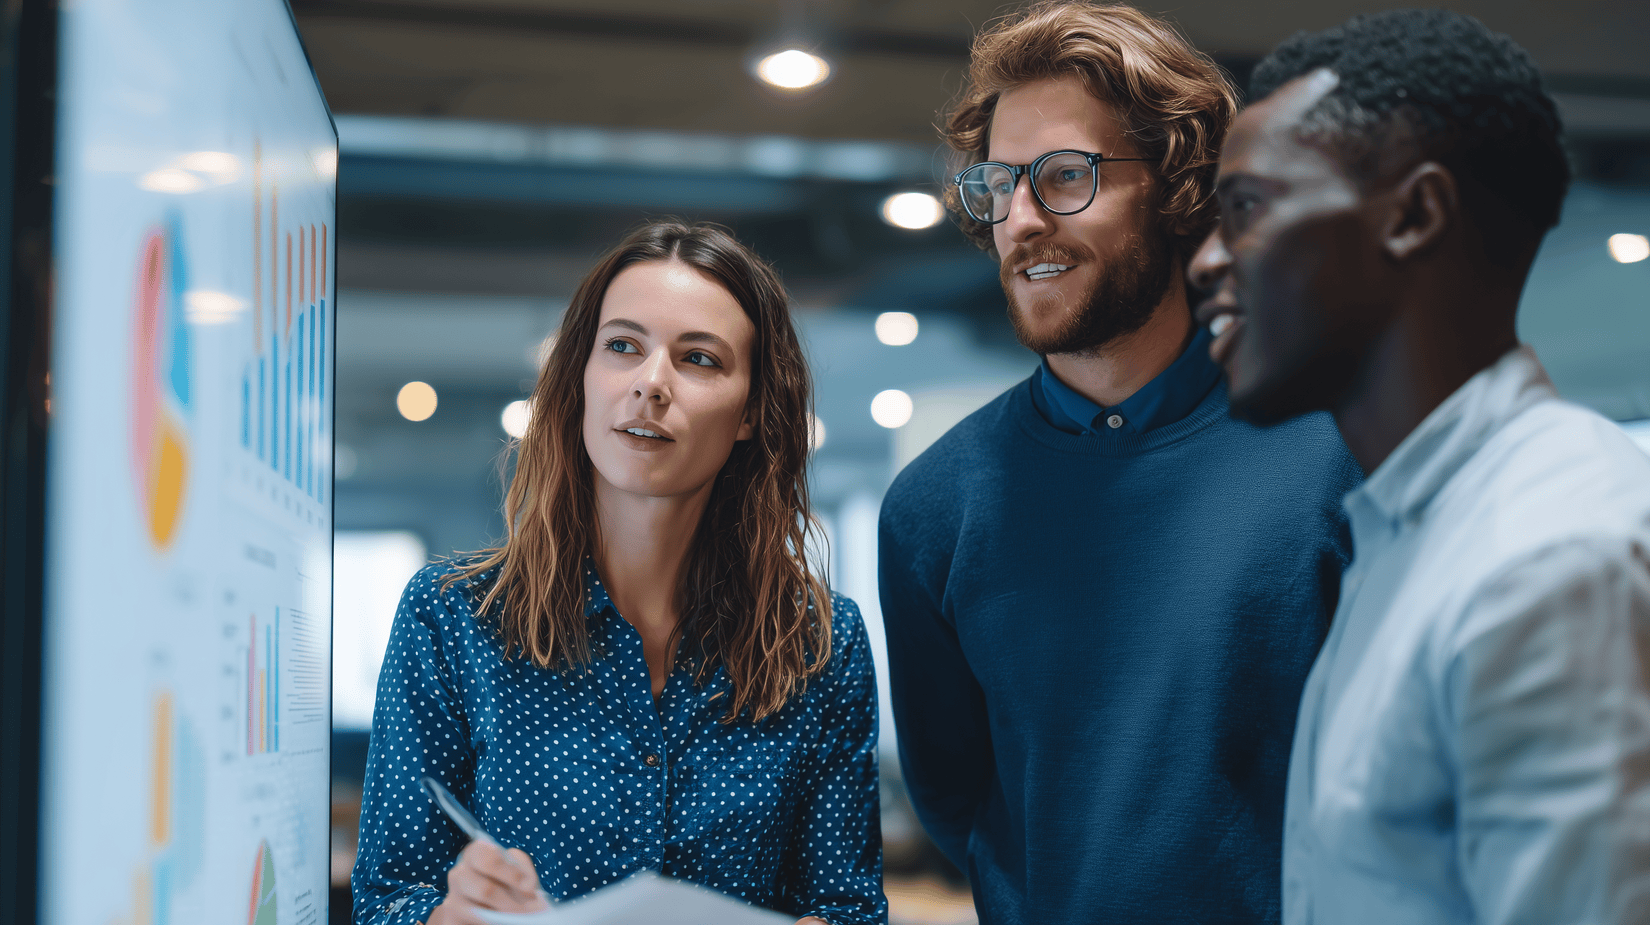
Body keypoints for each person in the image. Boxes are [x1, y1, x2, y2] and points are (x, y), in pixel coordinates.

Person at [877, 3, 1362, 922]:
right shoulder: (934, 507)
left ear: (1183, 185)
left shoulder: (1340, 451)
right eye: (1001, 183)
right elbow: (958, 798)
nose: (1021, 219)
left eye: (1064, 177)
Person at [1188, 10, 1650, 924]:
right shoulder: (1408, 533)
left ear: (1414, 216)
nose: (1206, 261)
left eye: (1244, 210)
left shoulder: (1551, 559)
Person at [351, 221, 886, 925]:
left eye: (698, 358)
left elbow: (849, 907)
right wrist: (447, 917)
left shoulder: (820, 640)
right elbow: (387, 895)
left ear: (753, 408)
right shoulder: (454, 615)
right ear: (582, 376)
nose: (651, 384)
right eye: (623, 347)